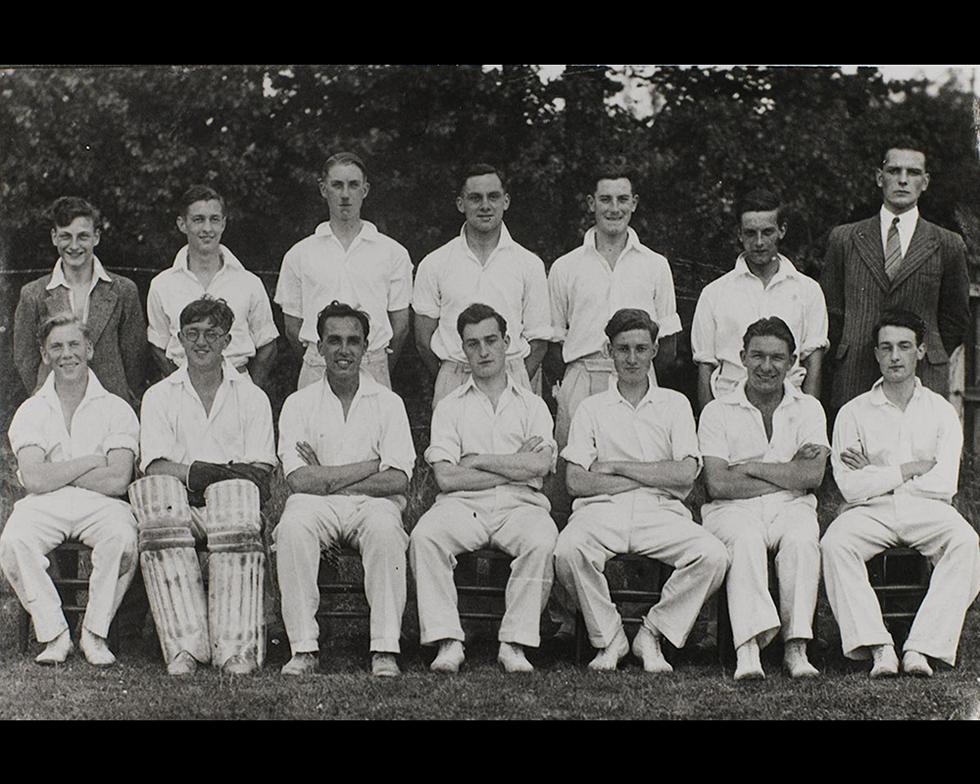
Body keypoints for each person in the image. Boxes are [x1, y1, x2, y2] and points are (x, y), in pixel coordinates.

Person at [554, 308, 729, 672]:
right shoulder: (591, 408)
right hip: (601, 511)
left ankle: (652, 633)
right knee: (567, 551)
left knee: (713, 555)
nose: (632, 358)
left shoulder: (675, 404)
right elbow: (576, 481)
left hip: (660, 512)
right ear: (609, 351)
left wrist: (618, 466)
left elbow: (684, 475)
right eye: (623, 349)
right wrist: (652, 474)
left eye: (640, 348)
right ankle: (610, 638)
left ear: (654, 351)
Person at [821, 309, 980, 678]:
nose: (895, 356)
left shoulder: (942, 412)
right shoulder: (853, 412)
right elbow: (849, 486)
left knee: (966, 542)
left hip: (927, 509)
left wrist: (874, 473)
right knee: (835, 543)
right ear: (875, 354)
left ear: (921, 351)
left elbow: (944, 483)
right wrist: (907, 469)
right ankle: (878, 647)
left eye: (904, 347)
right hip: (871, 512)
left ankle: (921, 647)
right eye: (887, 347)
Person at [130, 296, 275, 676]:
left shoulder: (252, 397)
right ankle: (185, 647)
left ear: (228, 340)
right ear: (178, 338)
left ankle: (236, 649)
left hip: (236, 511)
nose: (201, 342)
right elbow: (156, 466)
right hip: (181, 509)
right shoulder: (159, 396)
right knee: (157, 500)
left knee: (235, 500)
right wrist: (216, 472)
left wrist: (206, 475)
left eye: (212, 333)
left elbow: (259, 471)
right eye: (192, 333)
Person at [410, 303, 558, 674]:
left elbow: (540, 466)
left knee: (542, 539)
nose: (484, 351)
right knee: (426, 536)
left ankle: (514, 643)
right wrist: (513, 466)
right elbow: (447, 478)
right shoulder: (449, 407)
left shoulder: (533, 405)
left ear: (507, 342)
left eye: (491, 340)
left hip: (521, 505)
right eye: (473, 344)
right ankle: (448, 640)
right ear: (463, 350)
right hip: (462, 505)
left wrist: (476, 460)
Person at [275, 301, 416, 678]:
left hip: (374, 505)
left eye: (353, 341)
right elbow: (299, 480)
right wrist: (370, 465)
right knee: (291, 528)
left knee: (387, 531)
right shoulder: (298, 403)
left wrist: (327, 473)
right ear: (318, 347)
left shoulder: (389, 403)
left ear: (367, 347)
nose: (344, 350)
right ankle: (303, 648)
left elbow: (398, 479)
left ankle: (385, 648)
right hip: (314, 504)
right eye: (334, 340)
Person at [0, 314, 139, 666]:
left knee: (122, 539)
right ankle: (55, 634)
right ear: (45, 355)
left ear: (89, 349)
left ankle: (95, 633)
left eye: (74, 344)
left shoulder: (116, 408)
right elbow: (34, 480)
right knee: (15, 540)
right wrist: (90, 461)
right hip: (45, 502)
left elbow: (117, 480)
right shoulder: (31, 410)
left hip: (102, 504)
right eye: (56, 347)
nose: (67, 354)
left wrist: (59, 471)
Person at [698, 317, 830, 680]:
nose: (766, 367)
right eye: (757, 356)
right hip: (731, 510)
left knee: (803, 539)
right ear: (742, 357)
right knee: (745, 540)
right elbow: (718, 484)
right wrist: (787, 472)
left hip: (792, 507)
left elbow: (812, 476)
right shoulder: (717, 410)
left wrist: (749, 467)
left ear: (792, 363)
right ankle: (749, 649)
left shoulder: (809, 409)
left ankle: (795, 646)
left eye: (777, 358)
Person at [821, 141, 970, 412]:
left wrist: (924, 351)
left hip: (923, 374)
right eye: (894, 171)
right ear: (880, 177)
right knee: (854, 451)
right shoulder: (844, 239)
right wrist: (850, 347)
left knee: (918, 452)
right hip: (855, 372)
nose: (903, 180)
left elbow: (955, 318)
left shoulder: (947, 243)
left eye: (913, 173)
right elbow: (831, 312)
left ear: (925, 182)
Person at [548, 169, 682, 447]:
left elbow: (668, 344)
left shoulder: (655, 265)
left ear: (633, 203)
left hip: (638, 378)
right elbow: (553, 343)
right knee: (575, 468)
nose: (614, 208)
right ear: (591, 203)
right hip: (582, 379)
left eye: (622, 199)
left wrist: (638, 373)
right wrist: (573, 383)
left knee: (640, 460)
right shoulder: (565, 266)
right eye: (605, 199)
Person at [413, 164, 551, 407]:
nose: (485, 206)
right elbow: (423, 339)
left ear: (506, 201)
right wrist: (450, 377)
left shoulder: (529, 264)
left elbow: (539, 341)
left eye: (493, 197)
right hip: (454, 377)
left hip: (513, 378)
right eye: (475, 198)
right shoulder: (434, 263)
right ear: (460, 203)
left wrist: (513, 381)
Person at [275, 152, 412, 389]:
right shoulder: (299, 254)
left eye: (353, 185)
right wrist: (322, 358)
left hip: (372, 364)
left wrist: (374, 364)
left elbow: (400, 326)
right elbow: (292, 326)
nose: (345, 194)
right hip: (317, 366)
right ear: (323, 189)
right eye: (337, 185)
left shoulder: (393, 252)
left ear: (365, 190)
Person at [692, 188, 828, 413]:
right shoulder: (714, 293)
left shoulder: (808, 290)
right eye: (750, 233)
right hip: (729, 408)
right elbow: (705, 367)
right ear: (739, 234)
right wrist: (711, 423)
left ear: (782, 231)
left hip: (790, 410)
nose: (759, 242)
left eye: (767, 232)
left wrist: (809, 418)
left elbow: (813, 363)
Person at [13, 196, 146, 408]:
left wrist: (124, 400)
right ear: (54, 237)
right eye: (66, 236)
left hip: (111, 407)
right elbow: (25, 359)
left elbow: (135, 359)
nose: (74, 246)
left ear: (96, 237)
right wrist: (45, 397)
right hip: (56, 408)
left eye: (83, 236)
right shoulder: (33, 294)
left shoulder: (123, 291)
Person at [146, 185, 279, 389]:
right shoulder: (162, 285)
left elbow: (267, 345)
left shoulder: (249, 283)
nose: (207, 229)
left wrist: (250, 391)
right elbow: (157, 346)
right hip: (181, 389)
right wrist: (183, 385)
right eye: (198, 220)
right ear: (182, 224)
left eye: (214, 219)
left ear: (224, 223)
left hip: (238, 387)